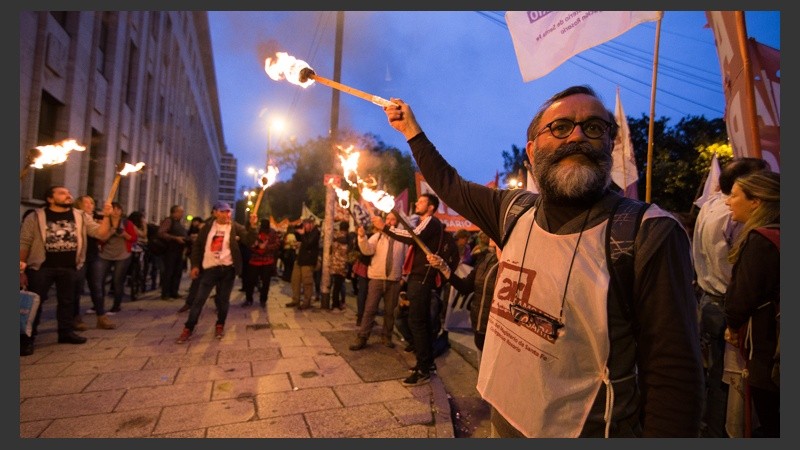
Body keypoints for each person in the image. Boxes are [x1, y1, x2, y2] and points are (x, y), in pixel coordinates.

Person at [381, 86, 703, 437]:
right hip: (502, 422)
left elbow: (674, 378)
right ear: (532, 151)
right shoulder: (512, 212)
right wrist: (412, 131)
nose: (578, 135)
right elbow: (449, 184)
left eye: (594, 127)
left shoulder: (648, 233)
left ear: (610, 144)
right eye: (561, 127)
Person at [692, 157, 770, 437]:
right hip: (729, 306)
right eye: (762, 179)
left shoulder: (710, 204)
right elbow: (745, 275)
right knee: (727, 383)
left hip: (709, 299)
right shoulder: (734, 214)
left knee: (713, 378)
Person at [19, 186, 112, 356]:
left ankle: (66, 332)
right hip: (41, 267)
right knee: (35, 304)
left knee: (67, 301)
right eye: (62, 193)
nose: (68, 195)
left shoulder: (80, 216)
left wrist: (107, 216)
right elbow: (24, 242)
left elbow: (100, 233)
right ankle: (27, 339)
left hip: (69, 267)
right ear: (50, 198)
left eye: (69, 192)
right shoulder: (35, 216)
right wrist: (21, 269)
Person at [723, 170, 780, 437]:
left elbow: (741, 298)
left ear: (756, 201)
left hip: (768, 354)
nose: (727, 202)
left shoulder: (761, 241)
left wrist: (733, 325)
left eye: (734, 196)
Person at [372, 193, 446, 386]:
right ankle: (426, 363)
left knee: (417, 321)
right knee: (418, 321)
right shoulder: (426, 222)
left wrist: (386, 228)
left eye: (422, 201)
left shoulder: (430, 221)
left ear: (431, 207)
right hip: (417, 277)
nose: (417, 203)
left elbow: (413, 237)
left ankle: (423, 368)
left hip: (422, 278)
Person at [176, 202, 257, 343]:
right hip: (210, 269)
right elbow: (198, 247)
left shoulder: (234, 227)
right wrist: (195, 265)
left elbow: (249, 240)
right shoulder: (207, 228)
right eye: (223, 212)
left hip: (227, 269)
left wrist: (253, 226)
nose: (227, 215)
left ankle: (220, 324)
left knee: (223, 300)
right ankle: (188, 327)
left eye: (228, 212)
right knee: (199, 299)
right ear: (215, 213)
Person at [350, 211, 409, 351]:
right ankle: (362, 337)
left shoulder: (402, 240)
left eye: (393, 220)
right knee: (370, 309)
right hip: (376, 279)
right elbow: (367, 251)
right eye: (387, 219)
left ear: (398, 223)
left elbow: (407, 261)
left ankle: (386, 336)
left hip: (394, 281)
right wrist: (362, 237)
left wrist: (403, 278)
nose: (389, 222)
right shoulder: (377, 237)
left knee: (390, 311)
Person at [428, 237, 500, 352]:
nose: (490, 235)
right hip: (478, 328)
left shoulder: (512, 263)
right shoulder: (485, 258)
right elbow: (465, 287)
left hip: (497, 332)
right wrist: (443, 267)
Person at [91, 202, 137, 314]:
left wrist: (125, 235)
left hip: (122, 255)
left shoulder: (127, 223)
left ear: (121, 211)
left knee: (117, 281)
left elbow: (133, 238)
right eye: (113, 209)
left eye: (118, 209)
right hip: (105, 254)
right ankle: (98, 305)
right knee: (99, 280)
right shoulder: (104, 222)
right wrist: (110, 233)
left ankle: (116, 306)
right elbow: (99, 238)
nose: (115, 211)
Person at [71, 195, 101, 330]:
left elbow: (101, 234)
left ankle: (101, 315)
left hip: (93, 256)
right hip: (80, 257)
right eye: (86, 203)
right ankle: (75, 317)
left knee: (97, 287)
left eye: (92, 203)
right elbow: (96, 232)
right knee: (77, 288)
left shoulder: (93, 218)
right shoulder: (77, 217)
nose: (90, 205)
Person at [243, 220, 281, 308]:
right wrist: (255, 246)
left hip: (267, 260)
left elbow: (277, 244)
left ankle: (263, 300)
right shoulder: (255, 231)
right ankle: (249, 299)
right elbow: (249, 243)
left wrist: (266, 247)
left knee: (266, 282)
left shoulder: (273, 232)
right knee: (251, 281)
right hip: (255, 260)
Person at [286, 218, 320, 310]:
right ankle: (295, 299)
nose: (304, 226)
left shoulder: (315, 232)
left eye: (306, 224)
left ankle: (306, 302)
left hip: (308, 261)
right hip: (300, 259)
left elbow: (309, 243)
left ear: (311, 224)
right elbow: (299, 237)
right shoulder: (305, 232)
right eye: (304, 224)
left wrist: (303, 234)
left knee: (307, 282)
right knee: (295, 280)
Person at [158, 205, 188, 300]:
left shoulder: (178, 223)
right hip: (170, 251)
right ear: (174, 212)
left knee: (177, 272)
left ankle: (174, 292)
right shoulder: (169, 221)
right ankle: (166, 294)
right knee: (169, 272)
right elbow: (161, 233)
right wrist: (175, 238)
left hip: (179, 251)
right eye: (180, 212)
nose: (182, 214)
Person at [178, 216, 206, 313]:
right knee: (196, 282)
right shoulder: (205, 226)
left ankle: (219, 307)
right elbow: (196, 248)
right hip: (202, 259)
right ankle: (190, 303)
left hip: (215, 261)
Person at [328, 221, 351, 310]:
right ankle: (336, 304)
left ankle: (336, 303)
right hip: (341, 265)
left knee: (336, 286)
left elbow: (331, 250)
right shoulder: (345, 239)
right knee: (338, 286)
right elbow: (346, 252)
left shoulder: (334, 237)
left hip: (334, 264)